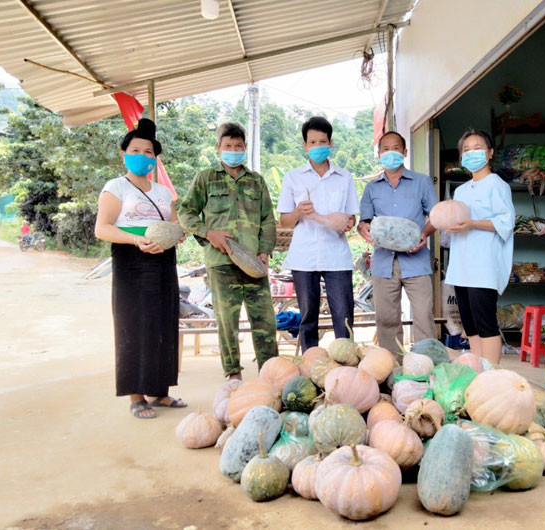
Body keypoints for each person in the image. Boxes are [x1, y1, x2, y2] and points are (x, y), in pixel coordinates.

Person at [94, 118, 187, 419]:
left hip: (162, 260)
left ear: (155, 158)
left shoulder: (163, 193)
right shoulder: (115, 187)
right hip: (131, 261)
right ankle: (136, 395)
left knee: (163, 322)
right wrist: (137, 240)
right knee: (133, 324)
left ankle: (160, 391)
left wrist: (177, 235)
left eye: (149, 152)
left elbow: (173, 225)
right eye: (136, 150)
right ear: (124, 154)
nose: (143, 156)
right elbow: (102, 228)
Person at [178, 122, 278, 380]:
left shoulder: (256, 181)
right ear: (218, 148)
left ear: (245, 148)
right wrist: (208, 233)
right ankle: (233, 376)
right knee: (227, 323)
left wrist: (265, 250)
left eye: (238, 146)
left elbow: (268, 218)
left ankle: (271, 376)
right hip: (221, 263)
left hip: (254, 263)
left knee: (265, 323)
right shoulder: (206, 178)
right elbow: (186, 212)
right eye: (228, 146)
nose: (233, 150)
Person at [278, 117, 359, 350]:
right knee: (307, 317)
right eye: (312, 142)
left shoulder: (344, 177)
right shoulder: (293, 177)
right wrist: (299, 212)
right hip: (304, 257)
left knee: (344, 316)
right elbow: (285, 220)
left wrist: (346, 223)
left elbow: (351, 218)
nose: (317, 146)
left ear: (330, 143)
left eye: (322, 141)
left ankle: (345, 366)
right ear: (305, 145)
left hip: (337, 257)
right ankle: (311, 365)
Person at [358, 131, 437, 357]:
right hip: (383, 262)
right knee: (387, 319)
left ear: (404, 152)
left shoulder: (421, 182)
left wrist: (425, 233)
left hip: (417, 260)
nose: (390, 152)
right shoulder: (372, 188)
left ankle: (427, 367)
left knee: (423, 315)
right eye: (385, 149)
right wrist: (363, 229)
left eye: (395, 148)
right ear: (379, 154)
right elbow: (363, 223)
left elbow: (435, 217)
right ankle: (393, 369)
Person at [445, 130, 515, 365]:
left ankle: (491, 375)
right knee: (470, 325)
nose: (471, 153)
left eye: (477, 147)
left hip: (484, 267)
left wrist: (473, 223)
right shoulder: (461, 190)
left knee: (486, 323)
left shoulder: (496, 184)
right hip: (462, 266)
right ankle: (478, 371)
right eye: (466, 149)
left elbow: (506, 221)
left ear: (490, 152)